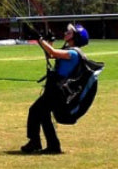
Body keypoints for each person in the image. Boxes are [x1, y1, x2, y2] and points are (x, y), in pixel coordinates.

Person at [22, 23, 89, 155]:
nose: (65, 33)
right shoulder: (68, 50)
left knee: (36, 110)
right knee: (42, 113)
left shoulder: (73, 53)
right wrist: (49, 41)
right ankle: (51, 144)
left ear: (75, 37)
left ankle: (37, 142)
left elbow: (52, 53)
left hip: (58, 91)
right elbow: (51, 55)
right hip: (55, 89)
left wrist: (40, 39)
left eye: (69, 32)